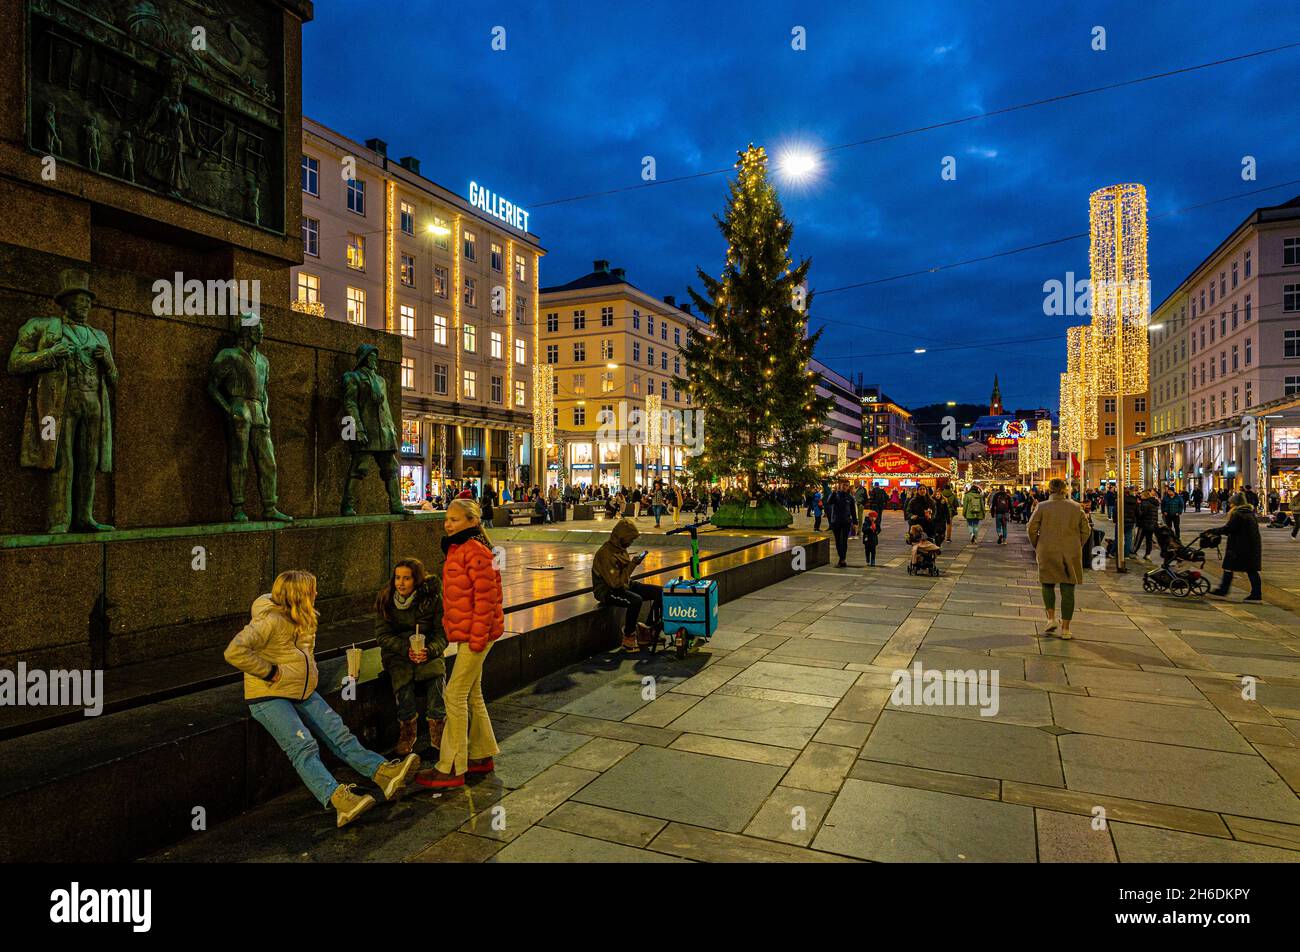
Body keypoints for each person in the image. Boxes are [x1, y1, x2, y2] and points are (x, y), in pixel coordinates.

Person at [224, 569, 419, 827]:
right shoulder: (269, 620)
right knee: (303, 747)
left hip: (301, 691)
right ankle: (339, 800)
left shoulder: (305, 617)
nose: (317, 593)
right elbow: (234, 651)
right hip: (268, 696)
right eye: (313, 589)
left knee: (339, 734)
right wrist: (269, 671)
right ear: (301, 594)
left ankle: (383, 774)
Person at [416, 499, 504, 789]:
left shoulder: (475, 552)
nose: (448, 523)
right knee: (471, 693)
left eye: (454, 519)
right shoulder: (459, 548)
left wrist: (477, 638)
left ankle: (451, 766)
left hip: (476, 636)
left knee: (453, 694)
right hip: (468, 633)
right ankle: (481, 754)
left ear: (472, 522)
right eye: (447, 518)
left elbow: (487, 600)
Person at [375, 558, 447, 757]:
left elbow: (442, 635)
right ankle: (407, 736)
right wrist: (405, 648)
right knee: (402, 683)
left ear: (416, 580)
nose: (401, 583)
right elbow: (382, 635)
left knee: (435, 678)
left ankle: (438, 737)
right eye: (398, 577)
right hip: (398, 654)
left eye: (406, 578)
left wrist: (429, 650)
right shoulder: (386, 599)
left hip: (427, 651)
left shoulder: (432, 599)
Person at [1026, 478, 1093, 640]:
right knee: (1068, 589)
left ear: (1049, 489)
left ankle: (1050, 618)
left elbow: (1031, 528)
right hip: (1070, 552)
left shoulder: (1042, 507)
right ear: (1065, 490)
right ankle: (1066, 629)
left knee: (1047, 584)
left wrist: (1038, 545)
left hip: (1047, 550)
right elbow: (1086, 530)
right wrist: (1077, 544)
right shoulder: (1076, 507)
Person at [591, 518, 661, 652]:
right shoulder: (605, 554)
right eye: (630, 539)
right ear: (621, 537)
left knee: (659, 592)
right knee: (636, 600)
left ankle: (647, 629)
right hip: (607, 590)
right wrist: (633, 564)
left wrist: (632, 565)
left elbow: (623, 577)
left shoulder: (620, 548)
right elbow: (615, 583)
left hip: (624, 584)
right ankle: (628, 637)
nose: (631, 543)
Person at [1207, 493, 1263, 602]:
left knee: (1229, 567)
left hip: (1239, 546)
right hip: (1251, 545)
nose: (1230, 505)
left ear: (1236, 503)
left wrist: (1213, 531)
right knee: (1251, 570)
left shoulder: (1238, 514)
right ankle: (1256, 593)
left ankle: (1223, 590)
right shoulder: (1250, 513)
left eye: (1231, 503)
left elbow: (1229, 528)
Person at [826, 478, 858, 568]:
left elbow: (853, 511)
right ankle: (841, 558)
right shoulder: (835, 495)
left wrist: (855, 523)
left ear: (848, 487)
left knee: (844, 541)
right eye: (844, 485)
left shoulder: (850, 498)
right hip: (836, 521)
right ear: (840, 485)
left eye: (847, 485)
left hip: (846, 521)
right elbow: (829, 502)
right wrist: (833, 492)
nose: (845, 487)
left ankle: (842, 559)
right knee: (837, 540)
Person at [1134, 489, 1160, 561]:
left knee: (1139, 539)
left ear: (1145, 496)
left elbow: (1141, 514)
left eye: (1141, 495)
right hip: (1152, 524)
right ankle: (1148, 554)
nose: (1140, 496)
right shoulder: (1154, 503)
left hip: (1144, 524)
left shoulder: (1145, 503)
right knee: (1149, 539)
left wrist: (1138, 505)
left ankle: (1134, 551)